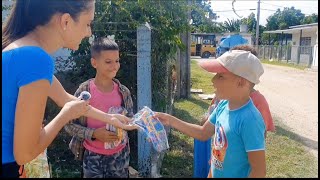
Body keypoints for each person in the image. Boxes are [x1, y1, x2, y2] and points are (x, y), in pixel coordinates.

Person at [2, 0, 137, 178]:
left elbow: (64, 98)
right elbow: (25, 154)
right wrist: (65, 115)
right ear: (66, 21)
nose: (89, 32)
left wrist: (110, 118)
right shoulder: (36, 59)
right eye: (87, 23)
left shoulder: (19, 50)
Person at [155, 50, 266, 178]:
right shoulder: (223, 106)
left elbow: (259, 171)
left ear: (241, 82)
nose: (213, 80)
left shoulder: (250, 120)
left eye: (220, 76)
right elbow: (203, 133)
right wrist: (170, 120)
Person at [64, 37, 133, 178]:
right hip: (92, 158)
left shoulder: (123, 92)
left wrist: (139, 122)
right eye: (108, 62)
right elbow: (69, 125)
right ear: (94, 62)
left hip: (120, 157)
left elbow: (130, 120)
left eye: (117, 61)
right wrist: (94, 134)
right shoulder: (85, 91)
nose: (114, 66)